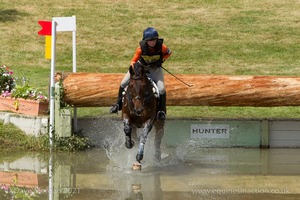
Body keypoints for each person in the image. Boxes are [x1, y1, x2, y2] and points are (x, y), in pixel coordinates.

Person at [110, 27, 172, 120]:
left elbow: (169, 53)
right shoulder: (140, 49)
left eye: (154, 40)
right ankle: (118, 104)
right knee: (123, 82)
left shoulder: (162, 47)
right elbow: (133, 61)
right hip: (140, 67)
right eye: (149, 41)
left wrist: (162, 60)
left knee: (162, 89)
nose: (152, 42)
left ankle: (161, 111)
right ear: (146, 41)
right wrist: (135, 70)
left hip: (155, 68)